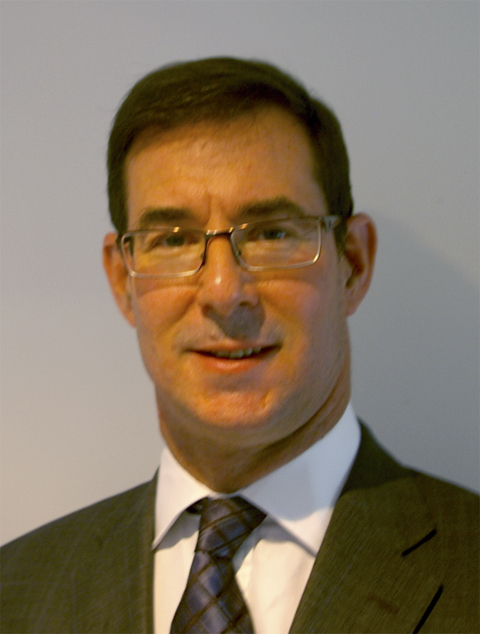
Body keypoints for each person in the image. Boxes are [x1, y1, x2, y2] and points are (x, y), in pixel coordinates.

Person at [1, 57, 478, 634]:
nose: (225, 293)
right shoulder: (14, 593)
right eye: (172, 241)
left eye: (272, 233)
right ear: (122, 280)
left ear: (352, 263)